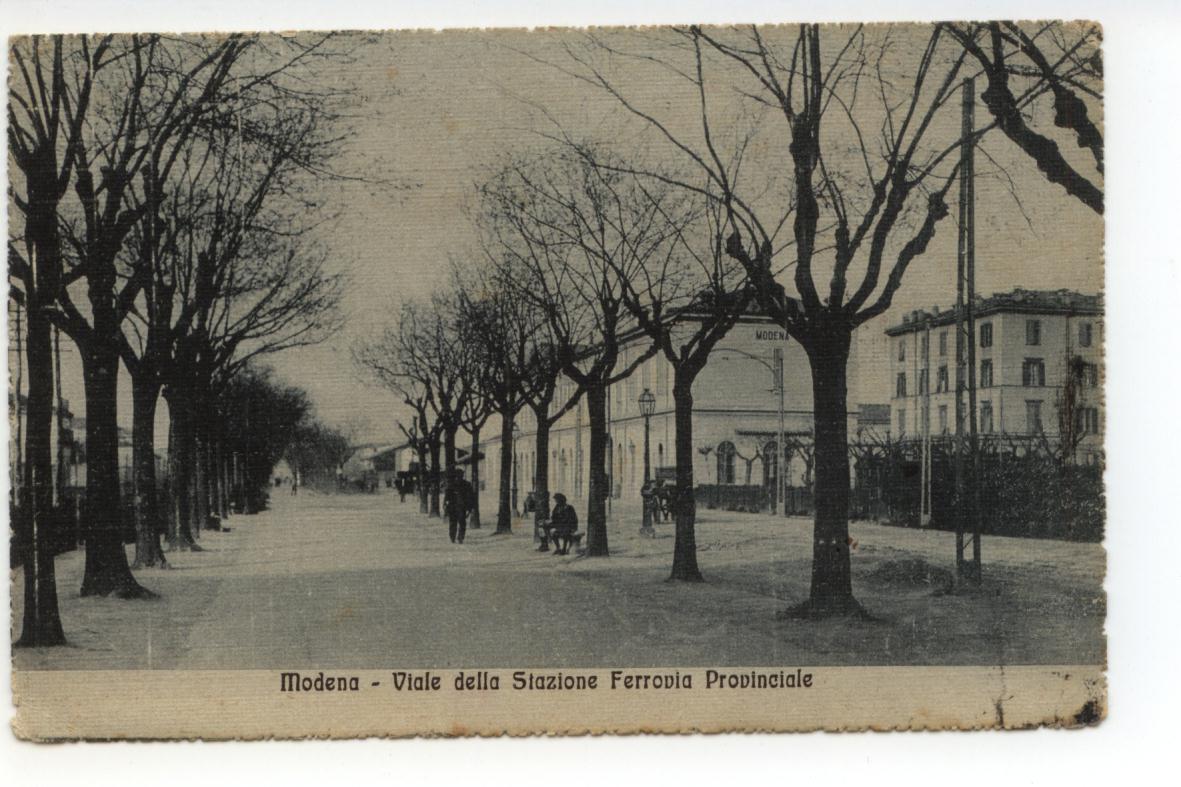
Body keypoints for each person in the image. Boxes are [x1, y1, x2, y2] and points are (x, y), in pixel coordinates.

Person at [444, 470, 475, 544]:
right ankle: (454, 537)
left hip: (461, 507)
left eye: (460, 475)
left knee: (459, 523)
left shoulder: (466, 485)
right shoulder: (452, 485)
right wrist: (445, 505)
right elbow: (447, 497)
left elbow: (470, 497)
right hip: (454, 507)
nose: (458, 477)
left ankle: (459, 537)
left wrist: (469, 508)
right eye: (457, 476)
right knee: (455, 523)